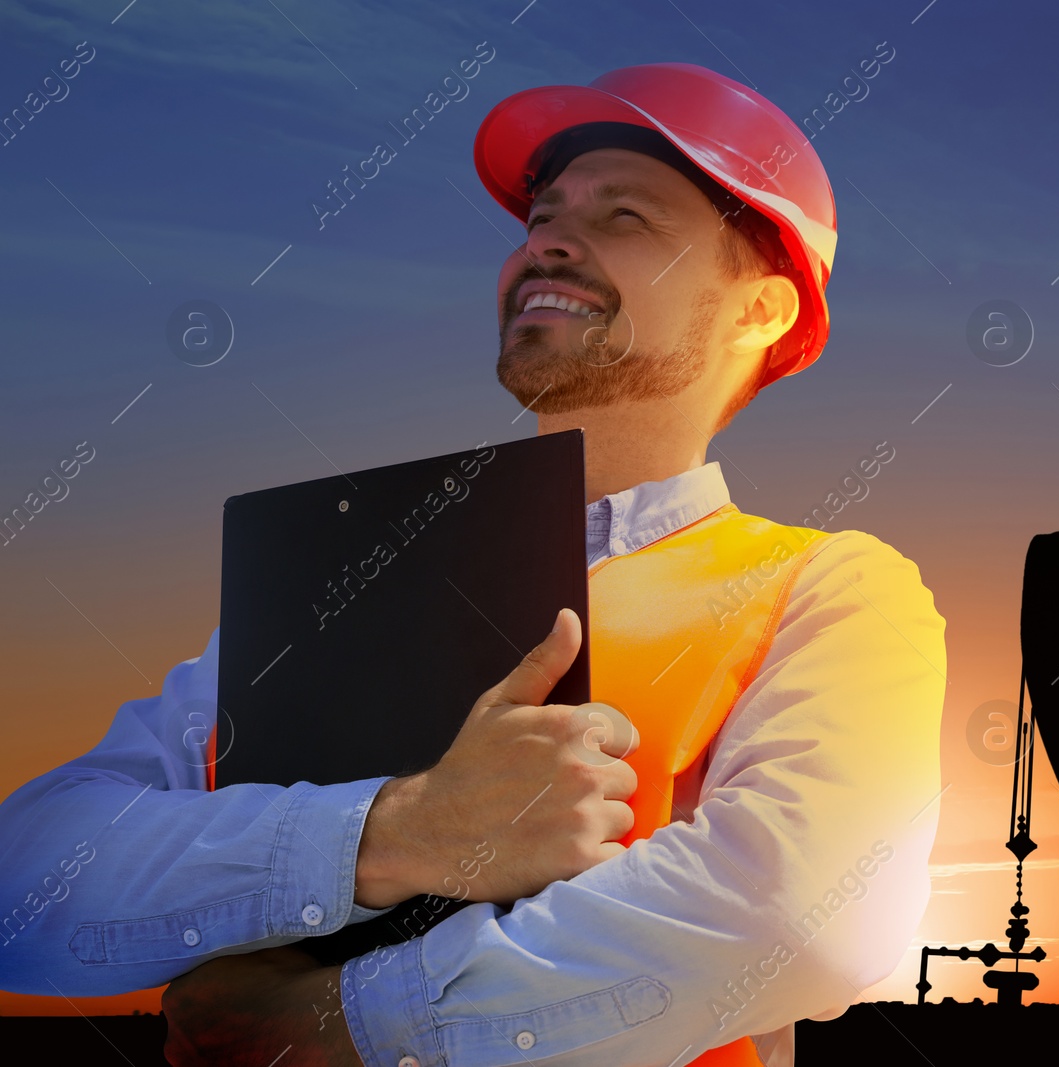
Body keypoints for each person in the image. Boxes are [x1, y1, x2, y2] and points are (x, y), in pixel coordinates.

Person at [0, 64, 946, 1066]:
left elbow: (803, 911)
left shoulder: (828, 586)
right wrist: (390, 834)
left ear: (758, 311)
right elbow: (29, 875)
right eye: (543, 215)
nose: (547, 240)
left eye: (626, 215)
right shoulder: (333, 583)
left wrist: (351, 1023)